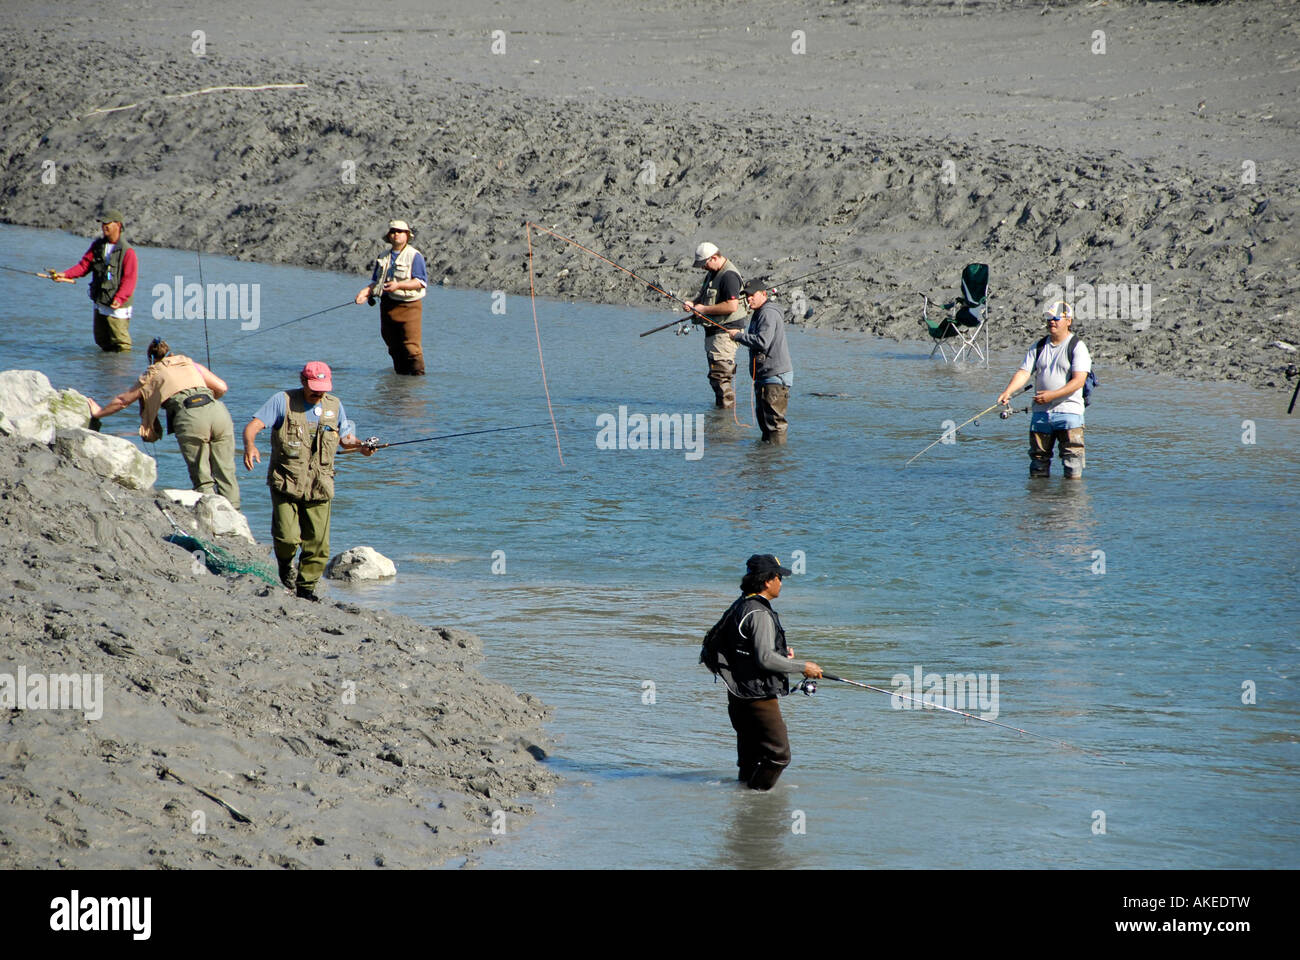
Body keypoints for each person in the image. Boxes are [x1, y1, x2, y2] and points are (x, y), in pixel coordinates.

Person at [242, 362, 375, 600]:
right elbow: (253, 426)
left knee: (317, 544)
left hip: (320, 484)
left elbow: (346, 439)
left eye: (323, 388)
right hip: (286, 482)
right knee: (287, 538)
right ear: (302, 381)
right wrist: (250, 446)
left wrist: (362, 447)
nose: (318, 393)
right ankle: (285, 565)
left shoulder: (334, 405)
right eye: (314, 387)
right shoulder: (281, 401)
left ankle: (306, 589)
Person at [705, 554, 823, 791]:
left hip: (737, 693)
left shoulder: (742, 604)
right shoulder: (758, 613)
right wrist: (804, 667)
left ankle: (742, 800)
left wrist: (782, 655)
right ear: (768, 580)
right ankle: (755, 804)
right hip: (756, 698)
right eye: (780, 577)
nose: (782, 582)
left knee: (750, 755)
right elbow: (765, 659)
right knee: (779, 755)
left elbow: (744, 648)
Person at [86, 338, 240, 507]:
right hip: (219, 412)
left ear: (151, 358)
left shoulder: (152, 373)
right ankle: (236, 518)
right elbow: (222, 387)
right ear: (170, 352)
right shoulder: (189, 363)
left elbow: (123, 401)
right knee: (226, 474)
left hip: (190, 417)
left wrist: (99, 413)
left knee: (203, 479)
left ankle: (215, 522)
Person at [996, 300, 1092, 478]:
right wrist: (1008, 391)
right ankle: (1038, 503)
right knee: (1038, 464)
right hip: (1041, 414)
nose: (1051, 322)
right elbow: (1024, 372)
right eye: (1049, 318)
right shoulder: (1038, 346)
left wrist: (1052, 396)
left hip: (1069, 414)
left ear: (1068, 321)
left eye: (1056, 318)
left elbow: (1079, 381)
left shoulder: (1078, 347)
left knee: (1073, 465)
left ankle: (1071, 502)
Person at [47, 210, 137, 351]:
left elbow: (130, 280)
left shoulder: (128, 252)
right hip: (100, 300)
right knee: (101, 340)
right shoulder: (97, 246)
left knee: (121, 344)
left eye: (107, 223)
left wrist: (119, 298)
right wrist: (64, 275)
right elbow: (83, 266)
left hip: (118, 306)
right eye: (103, 223)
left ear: (118, 225)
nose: (104, 226)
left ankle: (123, 370)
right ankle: (105, 371)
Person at [355, 219, 428, 375]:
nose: (396, 235)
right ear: (388, 236)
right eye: (393, 232)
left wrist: (398, 285)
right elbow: (376, 281)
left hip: (410, 306)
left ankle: (417, 378)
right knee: (393, 345)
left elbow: (420, 282)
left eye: (400, 232)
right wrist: (365, 292)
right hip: (388, 305)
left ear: (407, 235)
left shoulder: (415, 256)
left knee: (411, 347)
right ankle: (401, 376)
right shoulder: (383, 256)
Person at [683, 242, 746, 407]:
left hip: (726, 333)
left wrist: (703, 309)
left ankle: (725, 424)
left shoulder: (729, 276)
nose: (703, 268)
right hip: (714, 332)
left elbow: (732, 306)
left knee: (721, 378)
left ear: (715, 258)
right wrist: (693, 303)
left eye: (705, 264)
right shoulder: (713, 273)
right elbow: (704, 296)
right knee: (716, 378)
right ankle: (720, 420)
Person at [728, 279, 793, 443]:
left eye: (752, 295)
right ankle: (766, 463)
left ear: (763, 294)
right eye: (747, 296)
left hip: (774, 377)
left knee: (774, 424)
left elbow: (763, 341)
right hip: (766, 377)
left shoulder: (767, 312)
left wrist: (738, 336)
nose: (749, 298)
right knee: (765, 424)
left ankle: (776, 462)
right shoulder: (760, 312)